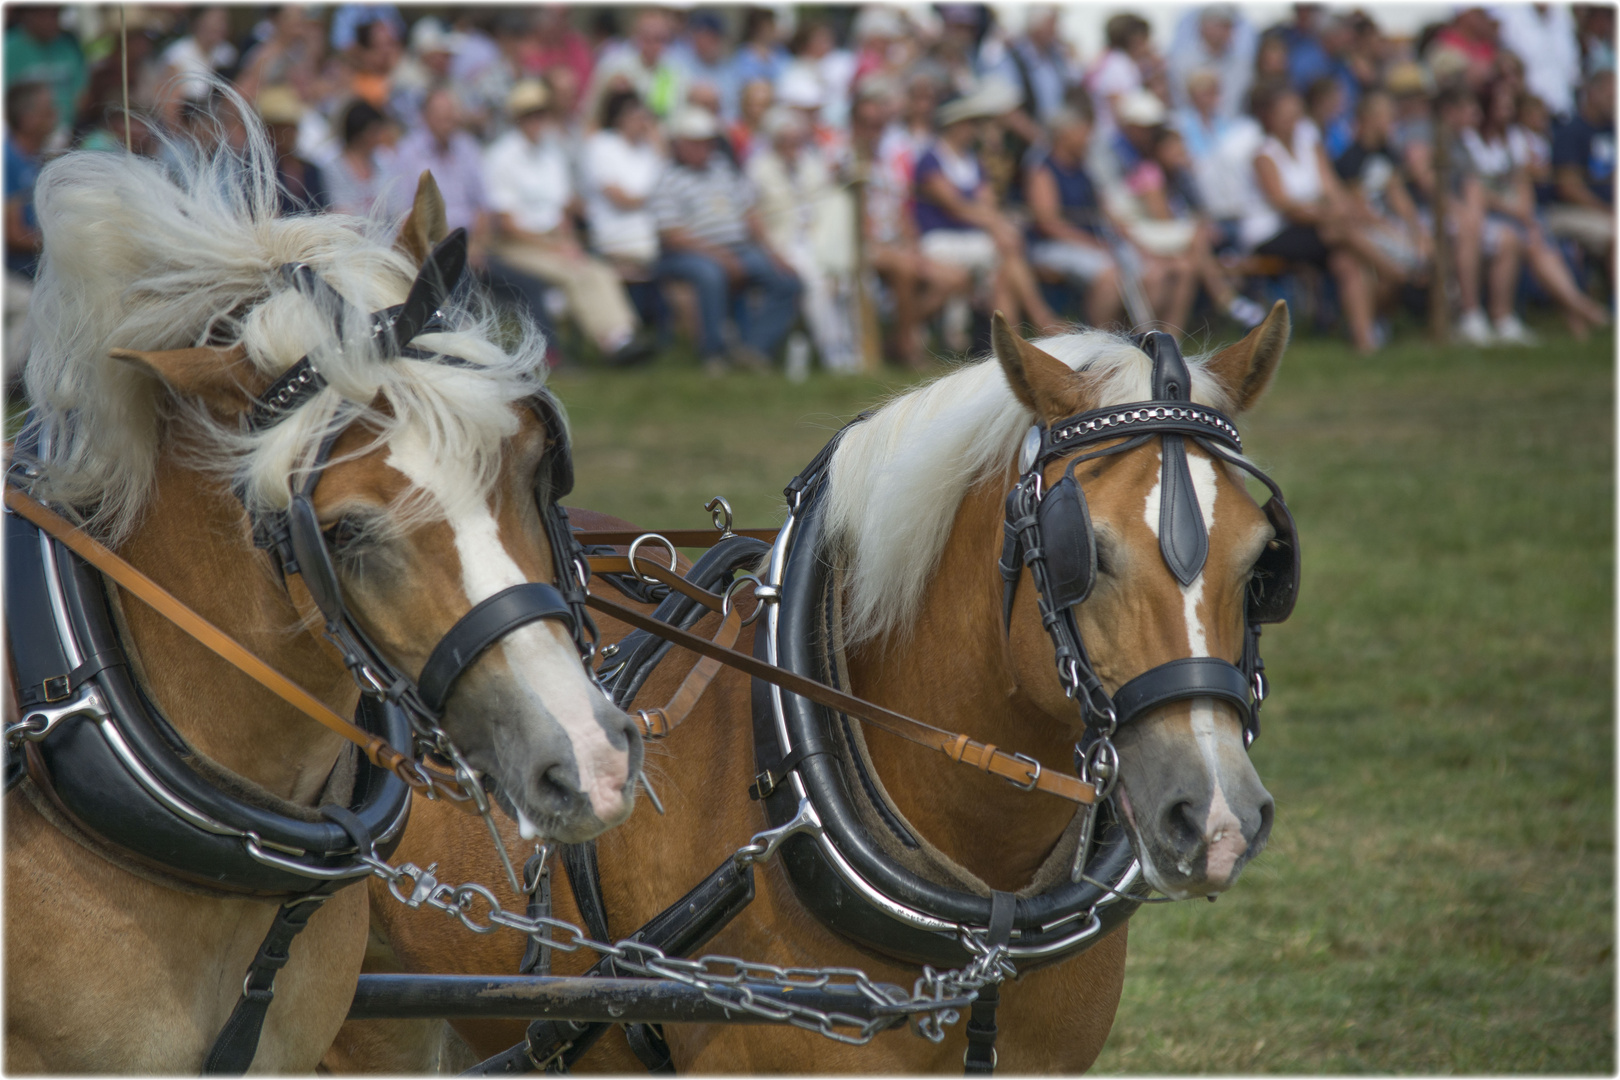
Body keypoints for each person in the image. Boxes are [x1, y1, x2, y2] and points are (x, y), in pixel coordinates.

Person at [484, 80, 652, 366]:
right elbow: (507, 223)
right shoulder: (501, 157)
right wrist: (555, 247)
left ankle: (622, 336)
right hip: (517, 244)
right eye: (531, 115)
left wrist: (566, 241)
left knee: (599, 270)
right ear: (518, 119)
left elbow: (561, 207)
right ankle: (610, 342)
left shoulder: (551, 152)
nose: (538, 121)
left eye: (541, 114)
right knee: (576, 273)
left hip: (549, 239)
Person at [650, 105, 802, 375]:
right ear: (680, 144)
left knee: (788, 281)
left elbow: (749, 213)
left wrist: (773, 253)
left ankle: (754, 348)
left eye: (707, 142)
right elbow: (672, 235)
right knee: (711, 275)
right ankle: (714, 353)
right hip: (687, 253)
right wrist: (720, 255)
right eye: (696, 143)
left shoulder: (724, 169)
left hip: (737, 248)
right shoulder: (668, 178)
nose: (704, 149)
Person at [1239, 81, 1383, 352]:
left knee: (1346, 261)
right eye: (1286, 115)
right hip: (1272, 234)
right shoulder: (1263, 154)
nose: (1292, 121)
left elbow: (1333, 189)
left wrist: (1340, 210)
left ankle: (1365, 340)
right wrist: (1332, 215)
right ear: (1270, 117)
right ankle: (1391, 268)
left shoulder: (1310, 145)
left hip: (1313, 228)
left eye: (1296, 114)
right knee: (1337, 233)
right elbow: (1286, 207)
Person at [1465, 79, 1609, 338]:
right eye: (1502, 105)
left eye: (1510, 105)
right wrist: (1519, 213)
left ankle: (1576, 314)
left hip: (1519, 213)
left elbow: (1523, 186)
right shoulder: (1470, 140)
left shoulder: (1514, 139)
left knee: (1538, 241)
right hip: (1490, 214)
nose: (1508, 110)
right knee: (1527, 241)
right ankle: (1581, 309)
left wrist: (1525, 214)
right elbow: (1477, 191)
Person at [913, 84, 1059, 334]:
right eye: (971, 122)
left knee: (1004, 263)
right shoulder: (930, 159)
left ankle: (1014, 336)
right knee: (1006, 252)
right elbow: (956, 207)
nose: (975, 129)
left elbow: (985, 204)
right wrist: (997, 225)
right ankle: (1037, 321)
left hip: (969, 236)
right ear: (955, 124)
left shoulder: (971, 160)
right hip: (940, 237)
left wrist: (999, 224)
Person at [849, 80, 972, 369]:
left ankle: (895, 338)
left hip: (894, 243)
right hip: (863, 244)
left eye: (879, 124)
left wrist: (912, 243)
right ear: (853, 124)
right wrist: (898, 250)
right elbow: (857, 223)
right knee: (905, 268)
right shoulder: (845, 161)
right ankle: (907, 349)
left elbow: (903, 209)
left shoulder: (888, 161)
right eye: (866, 123)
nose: (873, 131)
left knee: (957, 279)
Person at [750, 106, 858, 373]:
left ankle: (852, 348)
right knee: (817, 285)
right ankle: (833, 353)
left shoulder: (810, 162)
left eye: (797, 140)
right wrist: (773, 254)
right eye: (786, 140)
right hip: (782, 244)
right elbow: (752, 216)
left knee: (843, 281)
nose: (792, 146)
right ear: (774, 140)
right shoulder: (758, 167)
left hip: (816, 240)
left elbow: (826, 198)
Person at [1024, 105, 1125, 328]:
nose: (1088, 139)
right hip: (1050, 247)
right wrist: (1094, 245)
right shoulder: (1043, 170)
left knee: (1148, 269)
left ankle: (1150, 335)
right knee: (1109, 275)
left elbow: (1103, 211)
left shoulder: (1084, 168)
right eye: (1082, 132)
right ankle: (1099, 339)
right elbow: (1049, 224)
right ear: (1064, 135)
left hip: (1088, 243)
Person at [385, 86, 490, 261]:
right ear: (425, 117)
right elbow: (404, 215)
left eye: (451, 115)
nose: (448, 120)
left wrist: (478, 244)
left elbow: (482, 205)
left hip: (471, 244)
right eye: (441, 116)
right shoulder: (409, 153)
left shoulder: (467, 147)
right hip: (431, 248)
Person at [4, 80, 54, 385]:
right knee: (29, 305)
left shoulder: (35, 157)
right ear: (28, 119)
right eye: (48, 111)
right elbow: (10, 234)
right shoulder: (7, 159)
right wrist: (56, 242)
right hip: (12, 271)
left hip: (28, 268)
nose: (55, 116)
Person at [582, 89, 664, 269]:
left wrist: (658, 144)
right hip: (615, 244)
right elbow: (622, 199)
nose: (642, 122)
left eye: (645, 116)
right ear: (620, 117)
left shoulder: (648, 149)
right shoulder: (601, 145)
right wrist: (653, 196)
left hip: (651, 245)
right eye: (636, 115)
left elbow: (666, 186)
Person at [1546, 67, 1615, 267]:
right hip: (1573, 211)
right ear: (1592, 94)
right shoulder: (1571, 132)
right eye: (1611, 95)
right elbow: (1569, 189)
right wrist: (1609, 211)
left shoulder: (1613, 131)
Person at [5, 5, 86, 134]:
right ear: (28, 15)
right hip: (19, 135)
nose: (53, 22)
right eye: (47, 15)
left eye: (56, 15)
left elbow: (82, 94)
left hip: (67, 131)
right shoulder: (7, 49)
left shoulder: (68, 47)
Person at [155, 6, 237, 127]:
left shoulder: (228, 54)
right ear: (198, 22)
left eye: (223, 21)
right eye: (215, 21)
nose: (220, 26)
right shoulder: (178, 54)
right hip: (184, 129)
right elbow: (168, 109)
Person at [258, 85, 328, 215]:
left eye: (292, 128)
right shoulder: (257, 171)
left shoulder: (311, 169)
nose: (290, 134)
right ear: (268, 131)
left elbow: (323, 209)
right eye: (283, 128)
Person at [325, 98, 390, 216]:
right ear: (360, 133)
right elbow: (340, 210)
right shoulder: (333, 168)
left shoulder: (385, 160)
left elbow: (397, 205)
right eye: (374, 131)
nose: (380, 135)